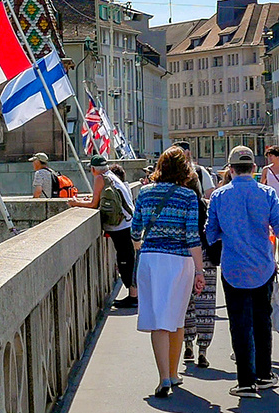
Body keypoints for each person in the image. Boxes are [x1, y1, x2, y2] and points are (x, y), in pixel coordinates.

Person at [206, 146, 279, 398]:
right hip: (263, 265)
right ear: (254, 168)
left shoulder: (219, 196)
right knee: (263, 320)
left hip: (234, 267)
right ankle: (264, 374)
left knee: (239, 323)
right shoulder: (268, 193)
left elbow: (210, 233)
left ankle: (244, 381)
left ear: (230, 169)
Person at [128, 148, 205, 398]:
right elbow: (193, 236)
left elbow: (135, 229)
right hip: (180, 261)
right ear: (185, 169)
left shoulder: (146, 192)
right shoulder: (188, 196)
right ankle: (173, 373)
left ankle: (163, 378)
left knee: (158, 320)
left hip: (151, 259)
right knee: (176, 318)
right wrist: (200, 270)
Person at [70, 155, 137, 308]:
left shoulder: (100, 178)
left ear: (93, 169)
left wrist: (75, 203)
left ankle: (133, 297)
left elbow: (94, 204)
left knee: (125, 260)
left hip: (120, 225)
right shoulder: (111, 175)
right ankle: (134, 295)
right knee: (127, 258)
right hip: (127, 222)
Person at [181, 163, 220, 370]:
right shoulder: (205, 205)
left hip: (183, 257)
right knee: (206, 304)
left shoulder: (178, 204)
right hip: (205, 258)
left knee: (186, 303)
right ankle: (203, 350)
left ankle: (187, 344)